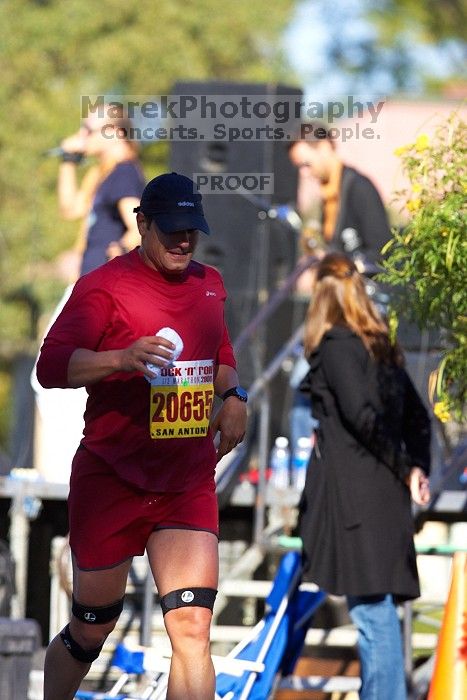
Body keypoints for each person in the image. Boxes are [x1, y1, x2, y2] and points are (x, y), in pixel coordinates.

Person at [36, 172, 248, 700]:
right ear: (143, 223)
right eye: (171, 229)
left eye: (191, 231)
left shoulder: (210, 284)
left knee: (193, 629)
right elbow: (51, 366)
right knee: (92, 628)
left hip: (185, 480)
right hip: (112, 477)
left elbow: (220, 355)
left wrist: (235, 398)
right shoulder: (103, 286)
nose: (182, 241)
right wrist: (121, 358)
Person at [298, 252, 431, 700]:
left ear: (322, 297)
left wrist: (406, 467)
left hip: (358, 498)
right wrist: (415, 468)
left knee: (373, 616)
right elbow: (418, 418)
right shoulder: (380, 345)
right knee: (376, 616)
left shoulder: (337, 345)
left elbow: (361, 417)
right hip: (383, 496)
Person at [32, 108, 146, 482]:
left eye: (89, 129)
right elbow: (70, 209)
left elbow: (138, 226)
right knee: (61, 373)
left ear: (114, 132)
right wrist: (69, 160)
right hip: (89, 286)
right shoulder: (105, 173)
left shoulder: (126, 171)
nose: (83, 135)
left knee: (55, 370)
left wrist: (117, 256)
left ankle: (69, 468)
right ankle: (71, 467)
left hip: (97, 290)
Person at [286, 123, 392, 449]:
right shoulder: (327, 196)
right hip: (338, 310)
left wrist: (339, 263)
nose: (304, 172)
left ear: (324, 148)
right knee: (306, 380)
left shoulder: (358, 188)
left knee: (304, 379)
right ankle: (309, 457)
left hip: (362, 310)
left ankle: (307, 459)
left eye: (306, 163)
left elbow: (383, 252)